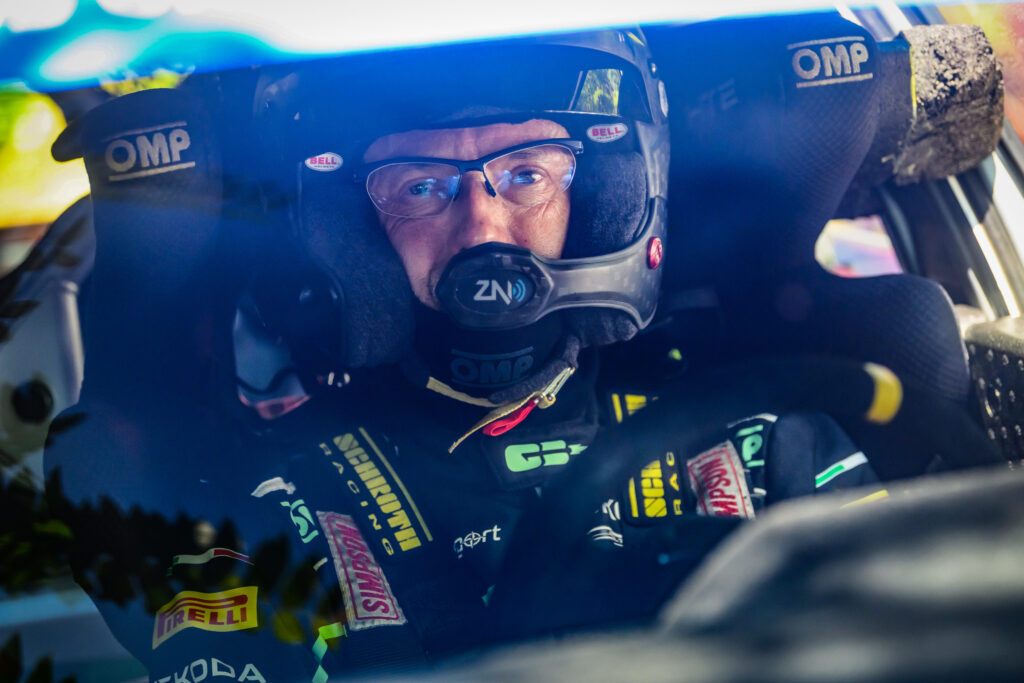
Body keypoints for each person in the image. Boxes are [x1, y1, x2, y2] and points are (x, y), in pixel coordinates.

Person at [47, 27, 892, 683]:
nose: (484, 226)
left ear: (597, 198)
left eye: (527, 173)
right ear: (354, 234)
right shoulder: (270, 512)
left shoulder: (762, 448)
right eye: (420, 186)